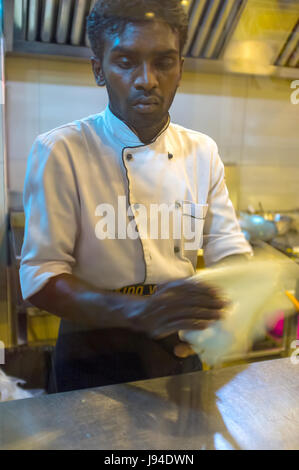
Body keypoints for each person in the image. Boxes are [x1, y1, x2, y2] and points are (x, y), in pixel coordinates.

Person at [20, 0, 252, 392]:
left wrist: (224, 312)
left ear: (180, 69)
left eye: (164, 62)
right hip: (91, 353)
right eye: (126, 61)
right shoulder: (61, 150)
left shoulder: (202, 152)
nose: (147, 79)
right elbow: (41, 274)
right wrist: (138, 312)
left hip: (180, 350)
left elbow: (228, 250)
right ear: (99, 70)